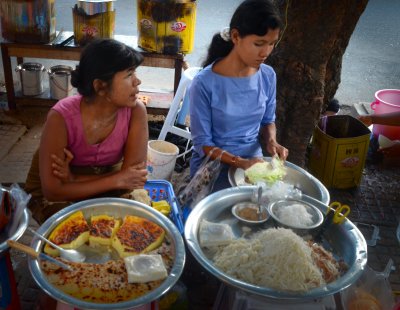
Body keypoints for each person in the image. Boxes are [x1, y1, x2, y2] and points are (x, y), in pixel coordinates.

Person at [25, 38, 149, 224]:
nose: (137, 81)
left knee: (131, 220)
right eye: (129, 74)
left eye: (135, 73)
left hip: (86, 180)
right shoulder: (61, 117)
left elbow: (133, 179)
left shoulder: (136, 111)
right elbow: (53, 190)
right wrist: (117, 180)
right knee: (73, 226)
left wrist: (74, 179)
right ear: (100, 86)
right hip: (55, 192)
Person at [189, 0, 288, 191]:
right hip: (212, 167)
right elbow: (203, 145)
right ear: (236, 36)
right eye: (259, 43)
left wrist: (271, 141)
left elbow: (268, 120)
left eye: (272, 44)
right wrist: (240, 162)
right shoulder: (204, 82)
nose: (266, 52)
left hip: (253, 163)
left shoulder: (268, 76)